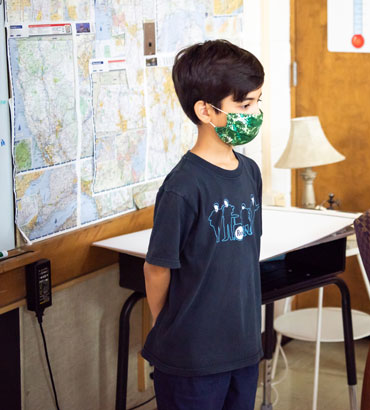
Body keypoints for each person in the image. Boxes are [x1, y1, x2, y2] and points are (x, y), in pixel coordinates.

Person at [142, 39, 265, 410]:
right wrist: (173, 327)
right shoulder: (182, 187)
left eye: (258, 101)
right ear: (206, 111)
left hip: (243, 348)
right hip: (192, 358)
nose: (255, 113)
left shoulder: (250, 173)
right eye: (245, 105)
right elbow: (156, 269)